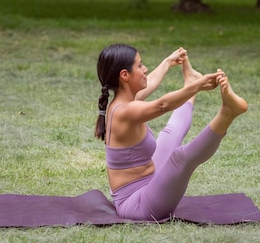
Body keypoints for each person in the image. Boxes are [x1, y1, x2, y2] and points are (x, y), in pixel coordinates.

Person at [94, 44, 248, 221]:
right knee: (179, 158)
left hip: (149, 181)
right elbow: (162, 105)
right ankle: (228, 112)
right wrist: (197, 86)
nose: (145, 69)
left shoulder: (127, 100)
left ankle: (190, 80)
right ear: (124, 75)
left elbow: (150, 81)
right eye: (140, 65)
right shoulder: (123, 112)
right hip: (137, 205)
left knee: (170, 133)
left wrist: (168, 62)